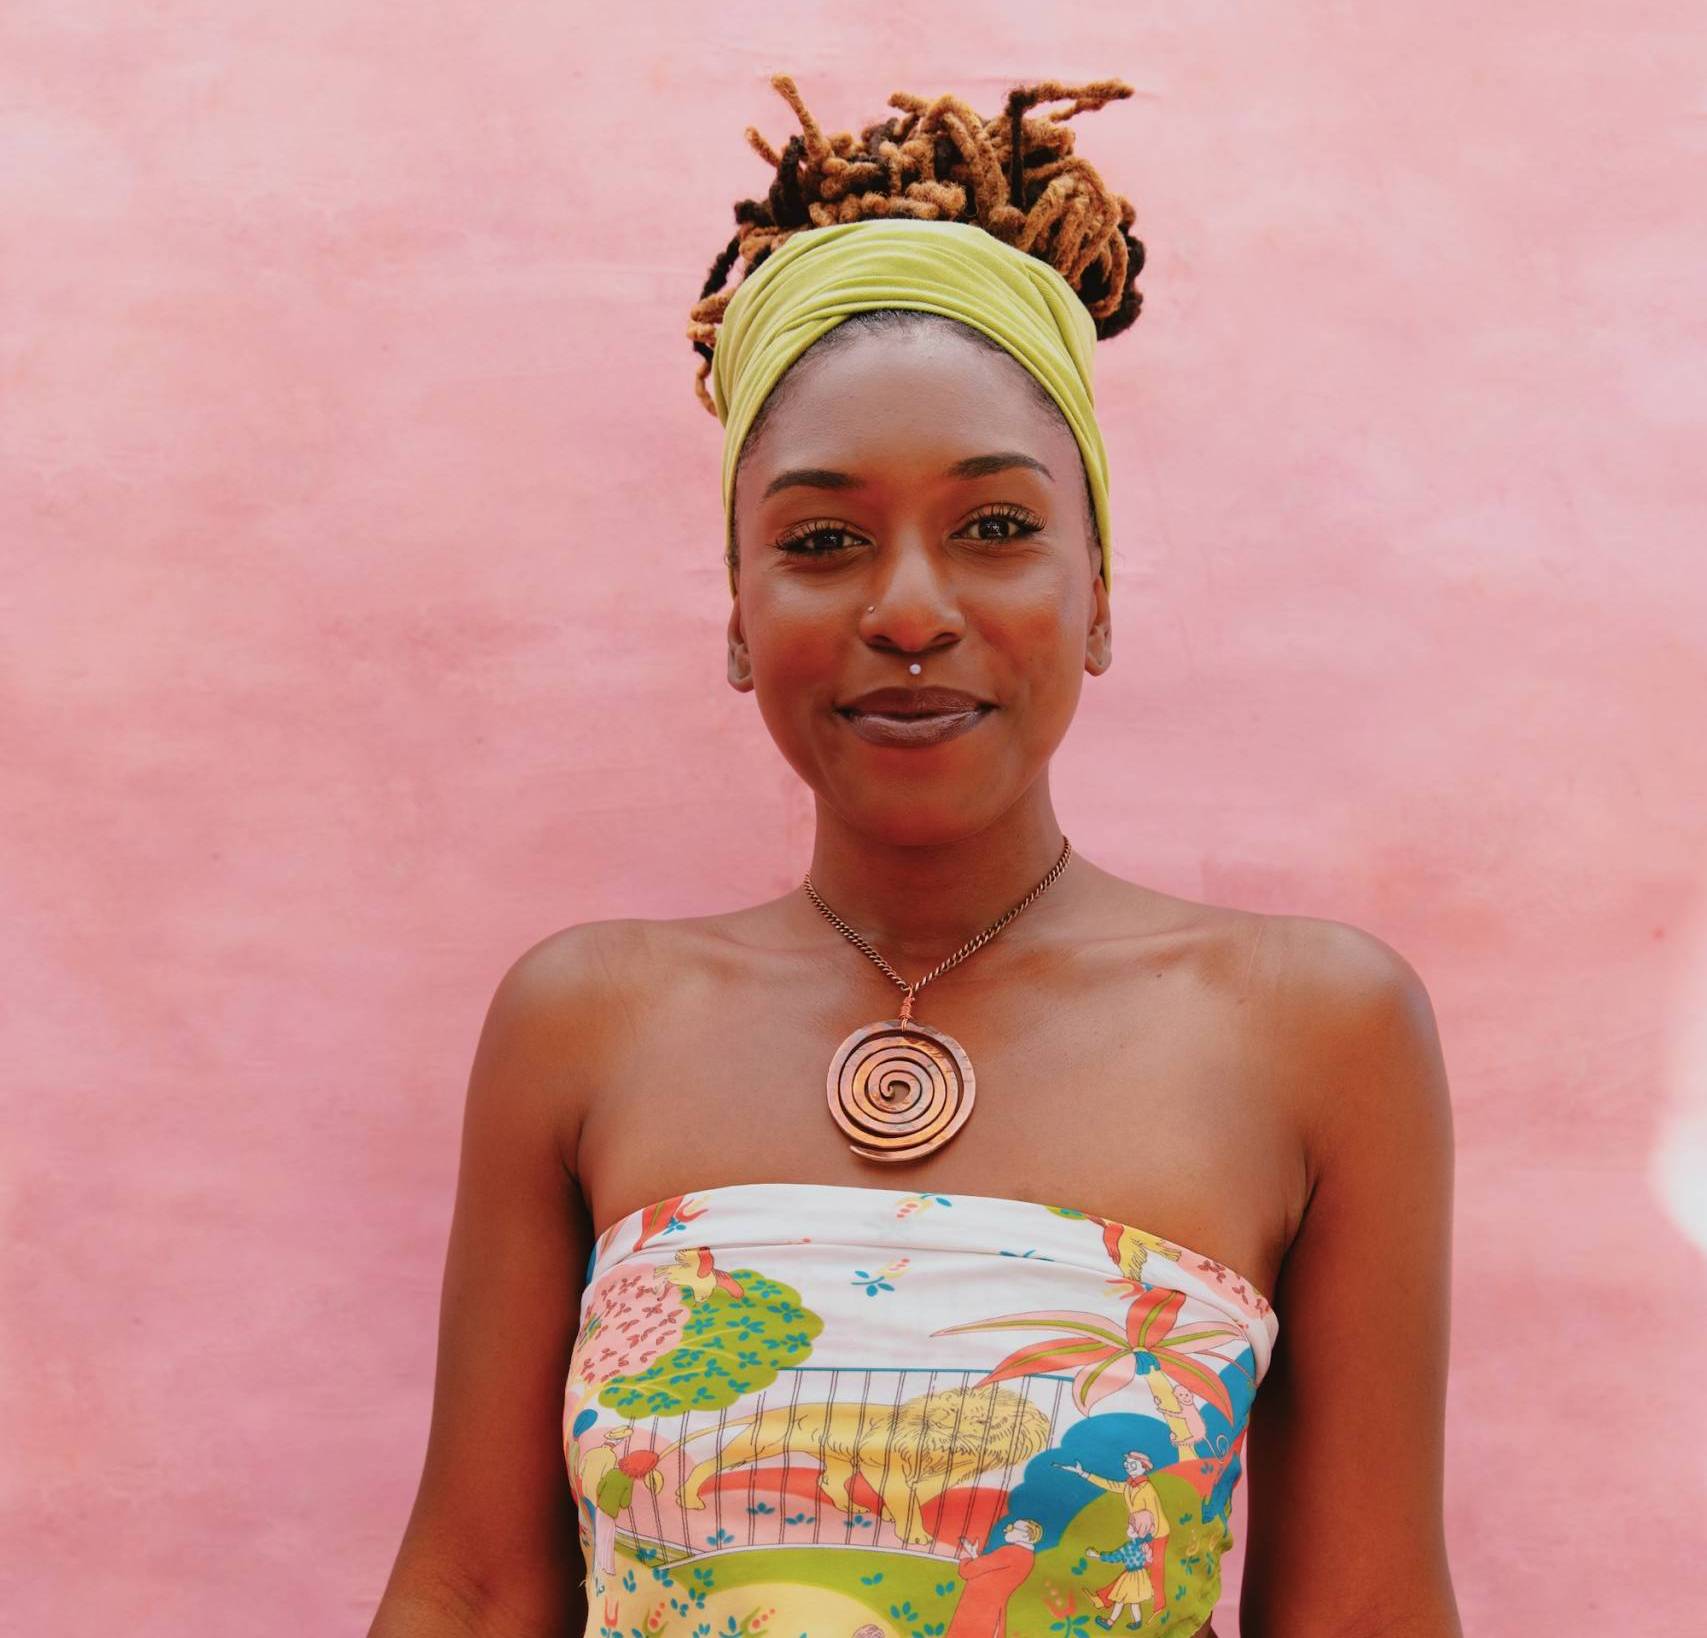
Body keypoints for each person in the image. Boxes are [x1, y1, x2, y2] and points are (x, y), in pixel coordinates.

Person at [369, 72, 1460, 1638]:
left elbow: (1364, 1613)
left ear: (1099, 592)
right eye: (820, 541)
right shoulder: (586, 1020)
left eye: (997, 527)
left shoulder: (1312, 1027)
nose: (906, 607)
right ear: (740, 616)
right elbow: (472, 1588)